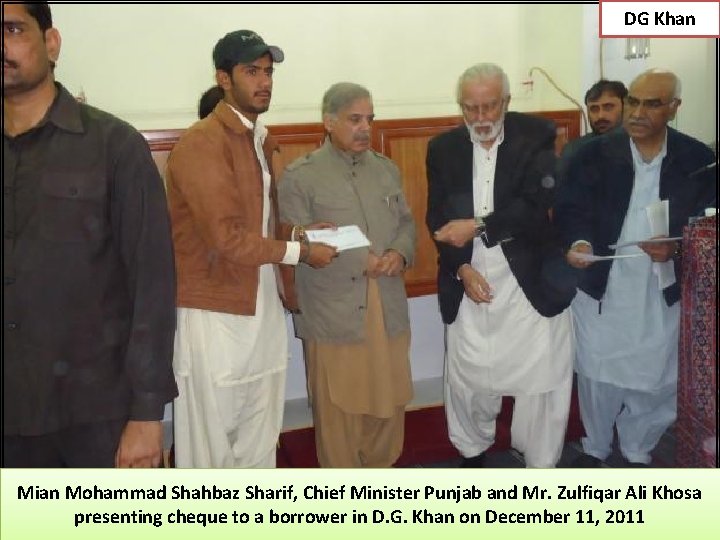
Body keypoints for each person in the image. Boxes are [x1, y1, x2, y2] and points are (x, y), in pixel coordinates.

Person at [3, 2, 177, 467]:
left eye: (12, 29)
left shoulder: (113, 145)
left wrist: (146, 414)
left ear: (51, 43)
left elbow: (152, 285)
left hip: (92, 414)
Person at [165, 30, 336, 468]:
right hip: (216, 314)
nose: (264, 82)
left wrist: (299, 234)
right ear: (223, 79)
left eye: (268, 72)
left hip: (261, 309)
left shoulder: (259, 139)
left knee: (260, 442)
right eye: (251, 72)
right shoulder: (202, 142)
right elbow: (226, 238)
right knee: (209, 452)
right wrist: (300, 253)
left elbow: (259, 225)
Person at [556, 69, 717, 467]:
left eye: (652, 104)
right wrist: (579, 243)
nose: (638, 112)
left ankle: (637, 448)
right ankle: (595, 446)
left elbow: (707, 223)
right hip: (603, 281)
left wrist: (677, 248)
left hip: (661, 285)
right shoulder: (589, 154)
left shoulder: (697, 159)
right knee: (596, 369)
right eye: (634, 102)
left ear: (674, 107)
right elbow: (570, 210)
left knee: (657, 373)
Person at [426, 63, 576, 468]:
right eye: (470, 108)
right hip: (471, 274)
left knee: (541, 378)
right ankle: (472, 451)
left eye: (489, 107)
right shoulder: (443, 148)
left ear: (506, 102)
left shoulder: (536, 136)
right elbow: (437, 217)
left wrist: (478, 226)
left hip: (528, 277)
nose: (480, 118)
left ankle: (540, 463)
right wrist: (462, 270)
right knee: (469, 378)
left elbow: (536, 203)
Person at [278, 82, 416, 467]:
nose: (365, 128)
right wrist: (360, 261)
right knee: (339, 410)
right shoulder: (300, 177)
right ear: (329, 122)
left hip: (387, 304)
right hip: (333, 312)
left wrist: (400, 253)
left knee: (390, 402)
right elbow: (294, 242)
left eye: (370, 119)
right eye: (355, 119)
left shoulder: (386, 169)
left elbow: (406, 224)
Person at [558, 79, 627, 181]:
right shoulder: (575, 150)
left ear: (626, 108)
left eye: (608, 107)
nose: (600, 116)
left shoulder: (640, 147)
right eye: (594, 109)